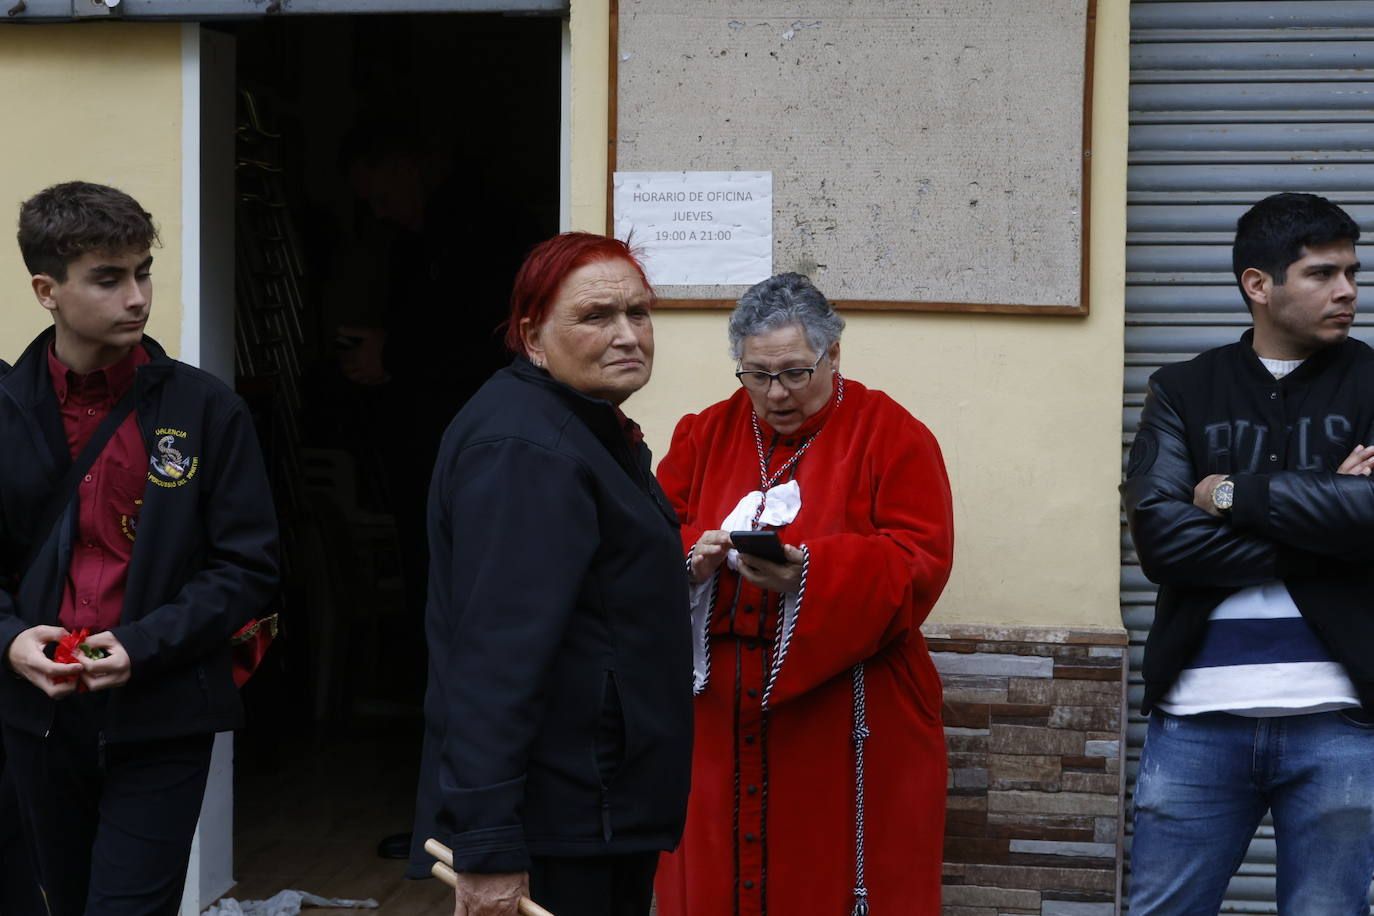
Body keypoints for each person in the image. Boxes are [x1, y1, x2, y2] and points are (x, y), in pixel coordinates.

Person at [0, 181, 280, 915]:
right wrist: (10, 638)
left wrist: (142, 644)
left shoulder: (206, 408)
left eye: (142, 271)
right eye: (108, 277)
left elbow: (248, 568)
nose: (137, 296)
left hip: (162, 709)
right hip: (34, 714)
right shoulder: (5, 409)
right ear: (46, 290)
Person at [406, 232, 693, 916]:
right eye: (597, 317)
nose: (628, 335)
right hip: (559, 822)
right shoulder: (528, 451)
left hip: (597, 809)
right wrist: (491, 845)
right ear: (533, 338)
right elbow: (493, 661)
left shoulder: (581, 424)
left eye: (639, 313)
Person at [653, 273, 955, 916]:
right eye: (756, 375)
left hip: (847, 709)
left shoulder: (893, 434)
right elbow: (650, 534)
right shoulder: (703, 434)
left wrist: (809, 575)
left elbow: (920, 559)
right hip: (717, 718)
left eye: (794, 372)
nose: (775, 393)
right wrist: (693, 561)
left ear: (834, 354)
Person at [1121, 192, 1374, 913]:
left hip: (1342, 720)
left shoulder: (1371, 383)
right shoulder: (1183, 390)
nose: (1348, 290)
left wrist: (1231, 496)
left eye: (1352, 272)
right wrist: (1329, 518)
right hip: (1199, 720)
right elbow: (1162, 540)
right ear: (1258, 286)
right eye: (1322, 274)